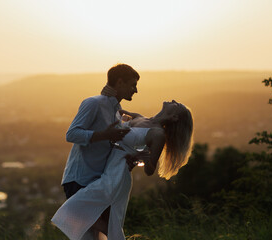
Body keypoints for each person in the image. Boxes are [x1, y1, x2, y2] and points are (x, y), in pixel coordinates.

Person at [52, 100, 194, 240]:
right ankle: (114, 235)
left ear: (174, 117)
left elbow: (150, 170)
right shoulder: (140, 117)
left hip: (118, 174)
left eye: (177, 105)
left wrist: (144, 158)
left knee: (74, 209)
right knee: (87, 216)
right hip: (106, 168)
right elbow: (115, 113)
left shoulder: (158, 134)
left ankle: (115, 236)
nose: (174, 100)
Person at [60, 64, 140, 239]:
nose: (136, 90)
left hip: (100, 182)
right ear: (119, 82)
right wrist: (104, 135)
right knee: (109, 230)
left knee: (98, 234)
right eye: (133, 85)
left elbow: (111, 147)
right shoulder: (93, 103)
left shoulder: (117, 113)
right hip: (80, 179)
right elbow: (71, 134)